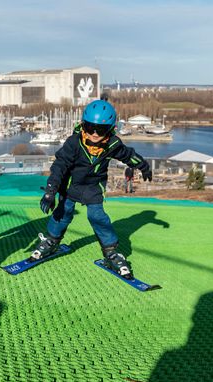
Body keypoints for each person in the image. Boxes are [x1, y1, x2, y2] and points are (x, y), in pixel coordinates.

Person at [30, 99, 152, 279]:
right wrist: (50, 190)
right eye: (90, 127)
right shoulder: (74, 142)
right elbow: (60, 166)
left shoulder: (112, 144)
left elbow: (128, 155)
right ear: (83, 125)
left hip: (93, 187)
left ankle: (111, 253)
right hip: (71, 184)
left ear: (110, 129)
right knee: (63, 212)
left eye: (100, 129)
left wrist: (143, 166)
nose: (94, 133)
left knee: (97, 216)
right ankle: (51, 241)